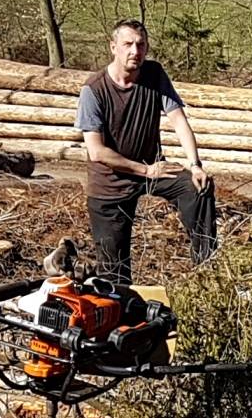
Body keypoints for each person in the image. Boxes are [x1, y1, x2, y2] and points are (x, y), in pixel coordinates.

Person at [76, 19, 217, 284]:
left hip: (153, 171)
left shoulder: (154, 74)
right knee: (114, 276)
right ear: (113, 47)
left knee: (197, 187)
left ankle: (208, 270)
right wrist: (147, 170)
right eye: (128, 44)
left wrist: (195, 164)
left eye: (141, 45)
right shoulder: (94, 90)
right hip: (110, 185)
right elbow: (97, 152)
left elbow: (178, 120)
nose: (135, 51)